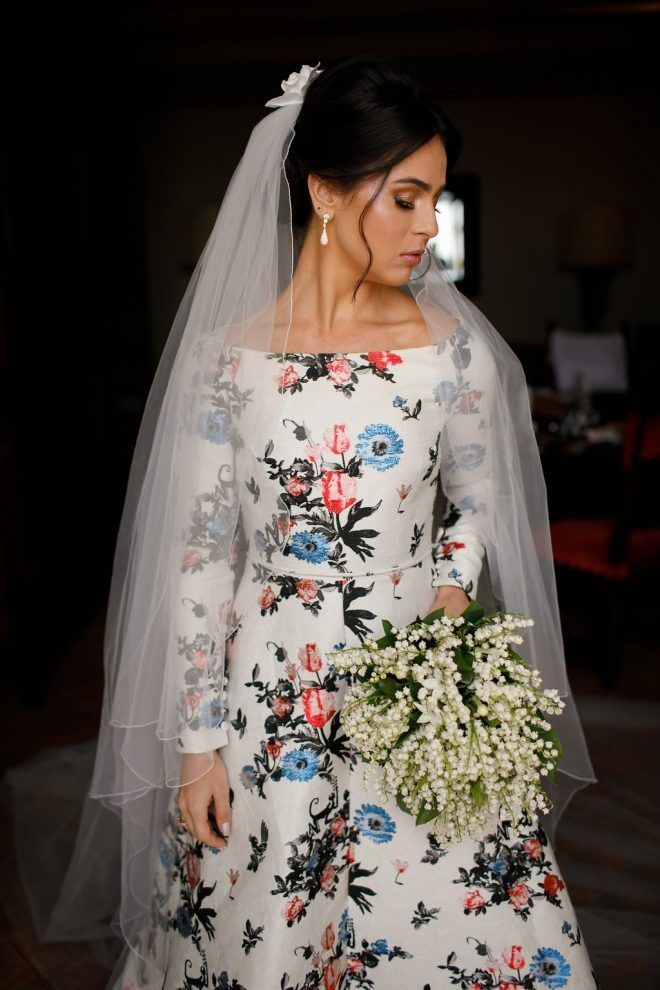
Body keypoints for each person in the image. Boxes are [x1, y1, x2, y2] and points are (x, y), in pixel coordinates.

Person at [10, 55, 600, 989]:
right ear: (325, 192)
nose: (427, 226)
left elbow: (480, 499)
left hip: (415, 683)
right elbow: (201, 557)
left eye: (435, 199)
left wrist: (449, 599)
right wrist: (197, 748)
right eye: (405, 198)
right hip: (272, 690)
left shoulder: (454, 353)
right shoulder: (225, 362)